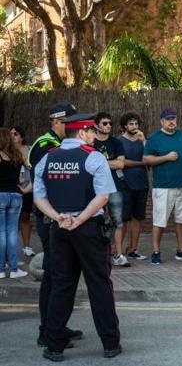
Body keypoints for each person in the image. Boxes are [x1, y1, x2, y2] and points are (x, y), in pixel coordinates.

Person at [33, 113, 121, 361]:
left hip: (59, 229)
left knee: (61, 285)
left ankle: (54, 346)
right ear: (81, 132)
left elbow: (38, 197)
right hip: (88, 229)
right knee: (99, 284)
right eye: (92, 131)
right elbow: (103, 196)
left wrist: (58, 217)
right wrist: (79, 219)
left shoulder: (48, 158)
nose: (95, 135)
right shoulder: (93, 157)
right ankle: (110, 343)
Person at [28, 103, 83, 348]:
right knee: (53, 275)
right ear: (59, 122)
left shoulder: (60, 145)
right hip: (51, 217)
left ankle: (57, 325)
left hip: (64, 217)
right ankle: (47, 331)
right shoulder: (44, 146)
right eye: (70, 122)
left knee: (65, 274)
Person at [143, 108, 182, 264]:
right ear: (162, 121)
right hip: (163, 187)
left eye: (174, 118)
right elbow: (146, 160)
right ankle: (156, 252)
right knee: (159, 221)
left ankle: (181, 250)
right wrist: (166, 157)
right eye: (168, 119)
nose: (172, 121)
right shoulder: (154, 138)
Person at [93, 112, 129, 267]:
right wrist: (110, 162)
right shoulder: (90, 142)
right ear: (96, 125)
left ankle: (118, 254)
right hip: (94, 188)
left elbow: (121, 164)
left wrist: (99, 162)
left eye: (110, 123)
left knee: (118, 221)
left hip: (115, 186)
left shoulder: (116, 143)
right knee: (94, 220)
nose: (108, 126)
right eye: (104, 123)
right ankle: (96, 255)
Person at [118, 112, 148, 260]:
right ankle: (118, 250)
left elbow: (149, 158)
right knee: (123, 219)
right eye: (131, 124)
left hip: (142, 184)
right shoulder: (119, 142)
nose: (134, 127)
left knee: (138, 218)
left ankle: (133, 249)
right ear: (125, 125)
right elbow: (123, 163)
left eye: (136, 124)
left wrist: (144, 142)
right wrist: (140, 163)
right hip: (125, 185)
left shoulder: (141, 140)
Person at [0, 128, 27, 279]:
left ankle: (1, 270)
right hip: (16, 196)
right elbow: (23, 178)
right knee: (12, 233)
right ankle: (15, 269)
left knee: (1, 233)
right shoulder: (17, 155)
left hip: (1, 195)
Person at [11, 126, 35, 257]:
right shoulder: (5, 150)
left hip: (28, 188)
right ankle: (10, 249)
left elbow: (33, 167)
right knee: (11, 220)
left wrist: (25, 161)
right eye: (11, 134)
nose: (13, 136)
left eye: (15, 133)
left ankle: (27, 247)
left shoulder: (30, 149)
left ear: (22, 137)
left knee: (25, 217)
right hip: (11, 188)